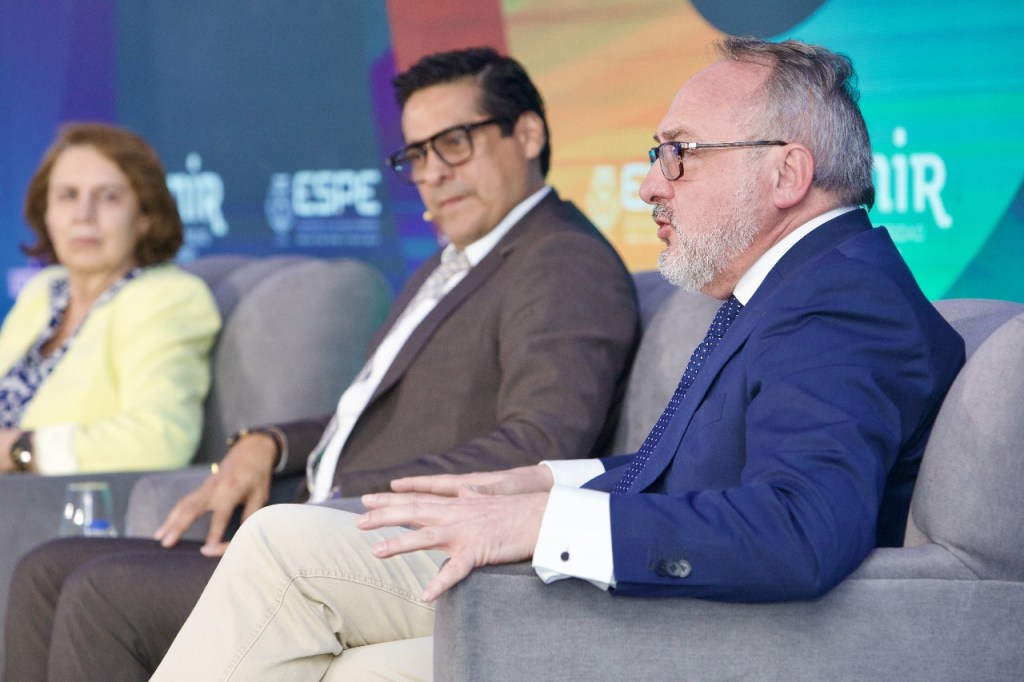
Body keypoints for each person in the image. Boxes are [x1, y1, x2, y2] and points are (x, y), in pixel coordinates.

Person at [149, 36, 965, 680]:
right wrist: (543, 482)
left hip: (698, 630)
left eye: (680, 153)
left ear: (787, 172)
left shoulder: (840, 302)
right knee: (356, 668)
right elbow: (696, 473)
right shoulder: (793, 286)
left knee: (281, 546)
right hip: (660, 601)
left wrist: (544, 522)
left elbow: (798, 527)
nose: (651, 185)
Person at [3, 48, 639, 680]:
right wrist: (271, 443)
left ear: (527, 134)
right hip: (319, 524)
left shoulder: (560, 259)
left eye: (454, 144)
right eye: (417, 155)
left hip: (390, 543)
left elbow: (540, 446)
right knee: (46, 568)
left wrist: (345, 494)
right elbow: (366, 418)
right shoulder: (451, 263)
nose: (433, 173)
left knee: (101, 595)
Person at [0, 122, 220, 475]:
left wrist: (20, 450)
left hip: (60, 501)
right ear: (47, 212)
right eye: (67, 195)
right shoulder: (44, 291)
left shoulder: (168, 298)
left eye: (108, 197)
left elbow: (160, 438)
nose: (83, 215)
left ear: (145, 217)